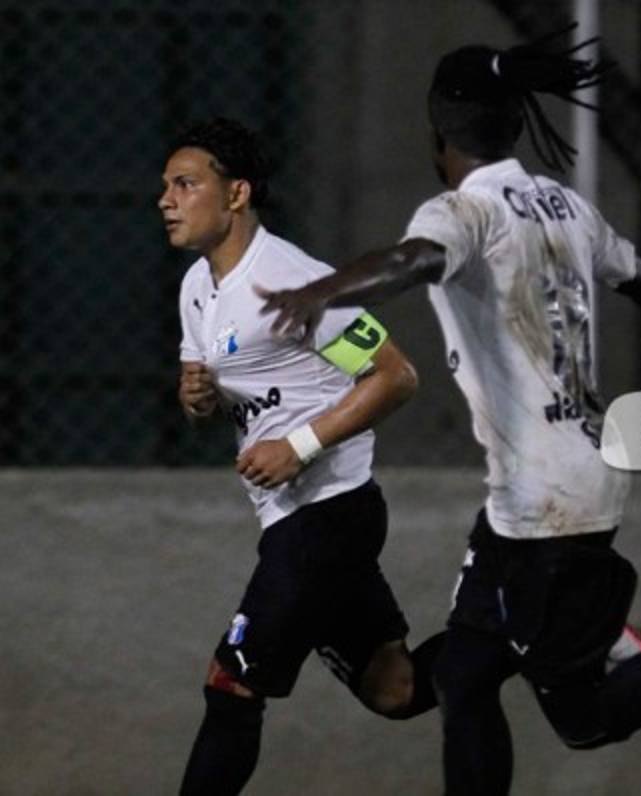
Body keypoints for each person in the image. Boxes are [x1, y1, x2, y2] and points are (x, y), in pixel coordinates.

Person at [257, 34, 641, 796]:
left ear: (439, 134)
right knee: (462, 673)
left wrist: (321, 292)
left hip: (547, 508)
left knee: (586, 719)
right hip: (539, 490)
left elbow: (413, 260)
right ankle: (600, 625)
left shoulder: (463, 211)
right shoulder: (563, 203)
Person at [163, 118, 443, 795]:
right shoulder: (198, 287)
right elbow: (203, 399)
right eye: (164, 187)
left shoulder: (294, 287)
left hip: (329, 516)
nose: (166, 200)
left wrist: (299, 445)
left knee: (231, 682)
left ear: (237, 194)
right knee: (395, 689)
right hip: (292, 521)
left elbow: (394, 376)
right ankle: (535, 622)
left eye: (185, 184)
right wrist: (197, 396)